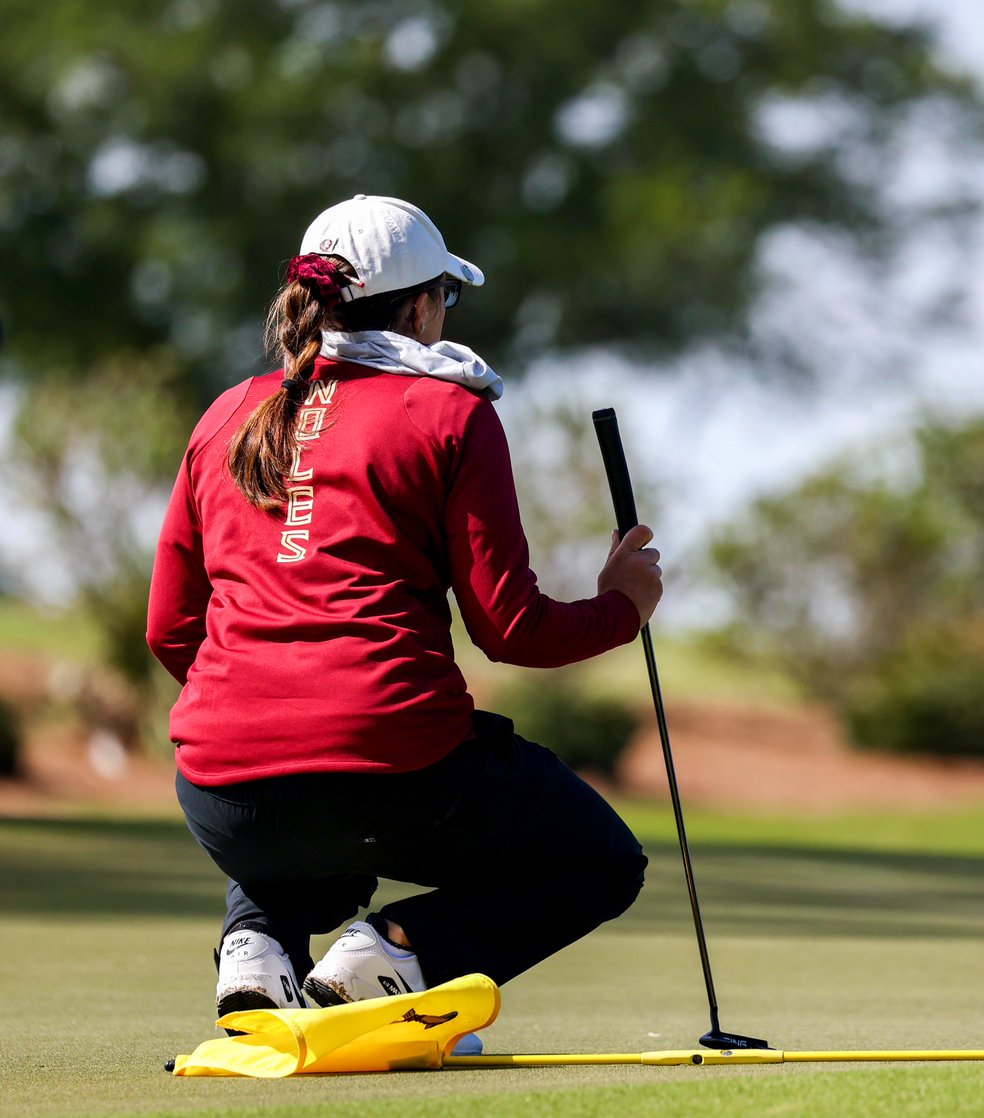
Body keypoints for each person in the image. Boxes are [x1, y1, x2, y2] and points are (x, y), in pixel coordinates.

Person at [146, 195, 661, 1050]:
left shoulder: (224, 413)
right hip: (401, 777)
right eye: (445, 301)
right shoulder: (453, 412)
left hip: (219, 795)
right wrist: (624, 607)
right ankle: (394, 954)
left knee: (310, 814)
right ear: (422, 305)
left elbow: (171, 629)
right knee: (601, 860)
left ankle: (261, 941)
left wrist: (269, 708)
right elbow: (512, 629)